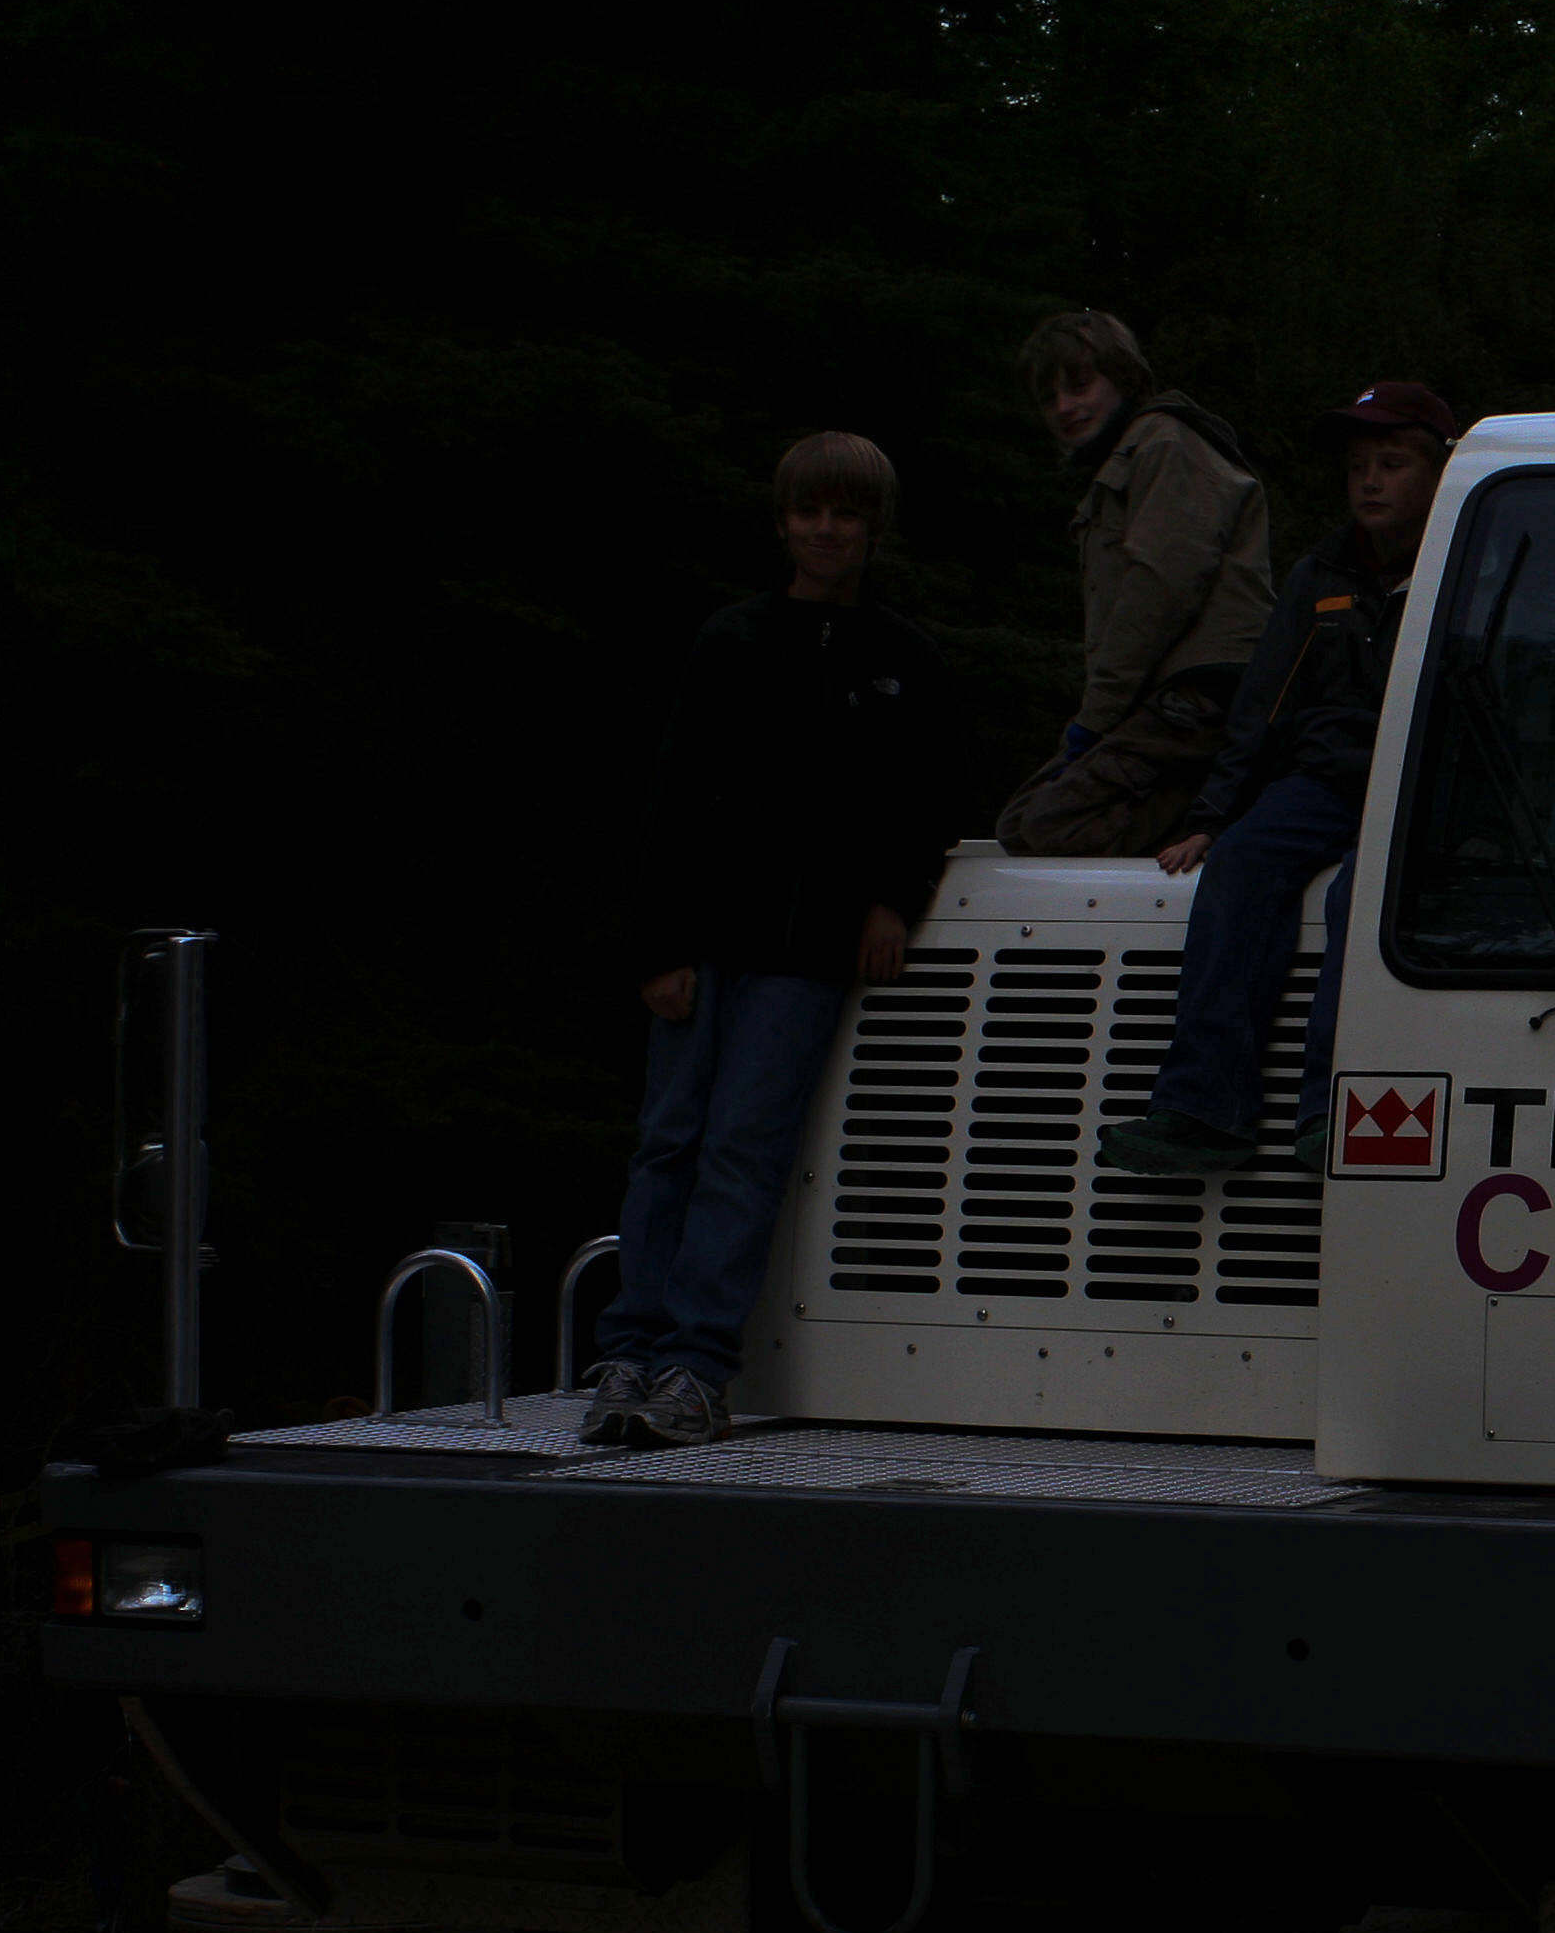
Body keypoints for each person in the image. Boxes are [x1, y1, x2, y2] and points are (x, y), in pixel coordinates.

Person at [581, 432, 956, 1447]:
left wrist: (895, 899)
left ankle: (697, 1368)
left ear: (874, 528)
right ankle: (630, 1351)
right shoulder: (732, 639)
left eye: (846, 513)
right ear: (783, 520)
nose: (826, 529)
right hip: (704, 945)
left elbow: (922, 803)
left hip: (808, 955)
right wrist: (658, 947)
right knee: (668, 1142)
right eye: (809, 511)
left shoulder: (904, 659)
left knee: (744, 1150)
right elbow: (669, 799)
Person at [1139, 376, 1458, 1177]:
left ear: (1438, 473)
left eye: (1391, 463)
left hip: (1426, 786)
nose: (1371, 482)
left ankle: (1334, 1110)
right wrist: (1215, 814)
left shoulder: (1467, 564)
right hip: (1323, 782)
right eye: (1359, 467)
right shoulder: (1322, 573)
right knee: (1242, 864)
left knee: (1366, 896)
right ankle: (1204, 1108)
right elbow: (1263, 703)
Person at [996, 309, 1273, 862]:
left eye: (1078, 386)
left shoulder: (1165, 444)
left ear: (1122, 376)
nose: (1065, 408)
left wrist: (1094, 719)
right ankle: (1208, 806)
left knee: (1044, 824)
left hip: (1199, 698)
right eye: (1049, 398)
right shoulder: (1127, 457)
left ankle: (1230, 811)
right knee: (1018, 821)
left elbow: (1159, 590)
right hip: (1157, 701)